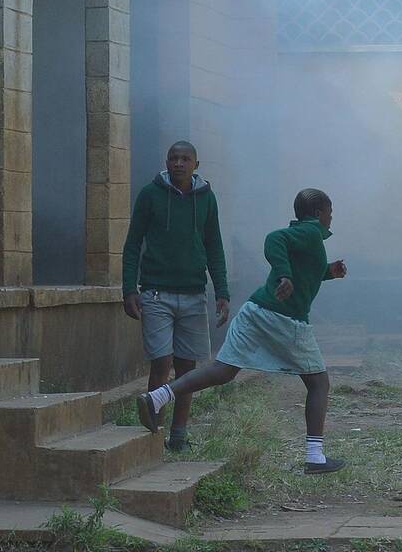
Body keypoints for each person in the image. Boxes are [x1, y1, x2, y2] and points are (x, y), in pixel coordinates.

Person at [137, 188, 348, 475]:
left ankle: (157, 397)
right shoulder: (311, 232)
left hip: (256, 311)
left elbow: (304, 269)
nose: (331, 217)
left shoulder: (306, 237)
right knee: (319, 383)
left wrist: (327, 271)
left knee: (224, 370)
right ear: (318, 213)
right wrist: (284, 273)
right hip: (283, 318)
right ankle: (315, 456)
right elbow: (275, 240)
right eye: (330, 211)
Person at [123, 141, 230, 452]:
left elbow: (214, 247)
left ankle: (179, 435)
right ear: (166, 162)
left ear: (197, 164)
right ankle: (152, 433)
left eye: (185, 159)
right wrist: (129, 288)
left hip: (194, 294)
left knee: (187, 369)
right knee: (162, 361)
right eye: (173, 158)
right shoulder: (150, 195)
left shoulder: (207, 198)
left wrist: (221, 291)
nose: (179, 163)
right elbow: (133, 244)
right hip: (156, 293)